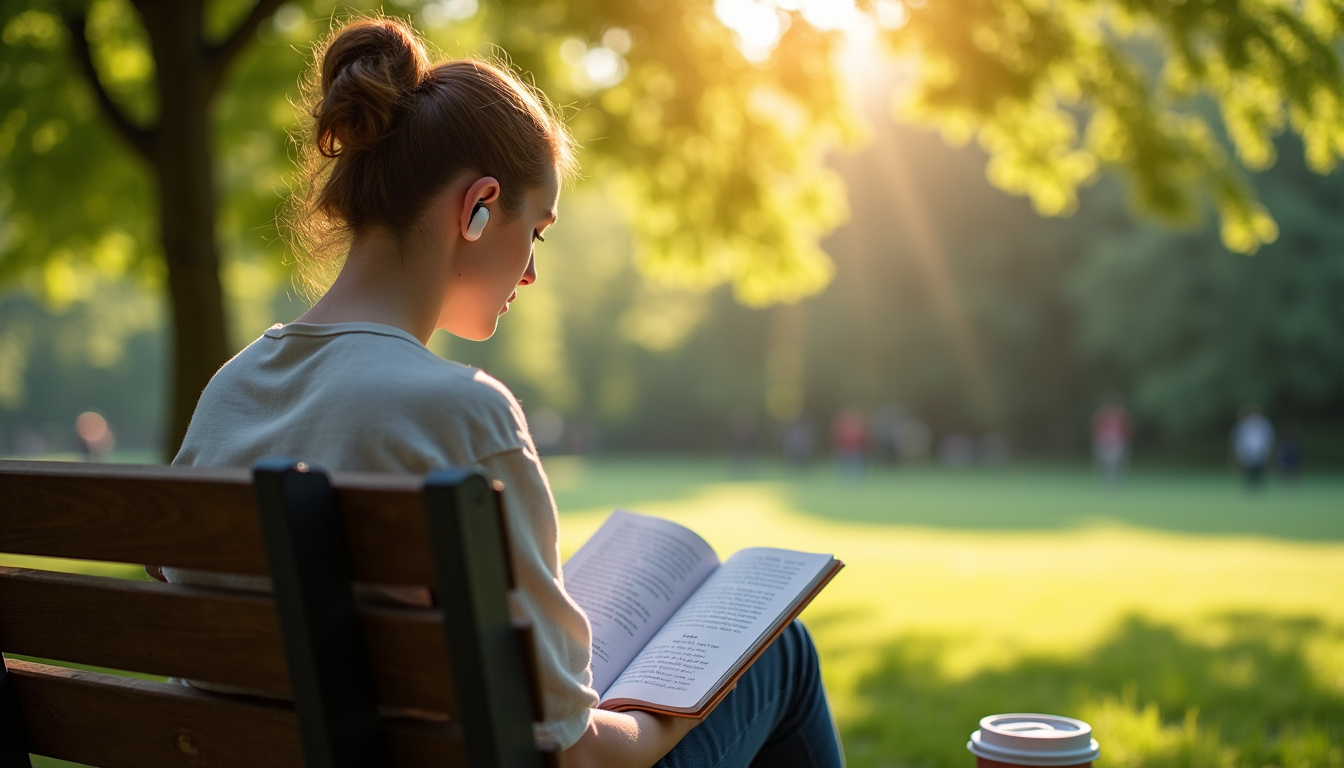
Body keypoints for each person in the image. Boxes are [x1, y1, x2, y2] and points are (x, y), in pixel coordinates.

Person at [164, 16, 842, 768]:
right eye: (538, 231)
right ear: (478, 206)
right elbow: (571, 755)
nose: (531, 272)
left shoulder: (231, 388)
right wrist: (666, 721)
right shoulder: (462, 415)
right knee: (780, 654)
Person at [1231, 404, 1275, 490]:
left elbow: (1268, 438)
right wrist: (1238, 452)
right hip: (1247, 451)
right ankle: (1249, 487)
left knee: (1259, 470)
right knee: (1248, 470)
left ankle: (1258, 487)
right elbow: (1238, 440)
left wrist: (1268, 450)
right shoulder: (1242, 425)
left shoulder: (1264, 424)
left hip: (1260, 451)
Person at [1091, 393, 1132, 484]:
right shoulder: (1102, 414)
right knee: (1102, 463)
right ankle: (1103, 482)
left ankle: (1115, 483)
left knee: (1116, 464)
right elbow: (1096, 428)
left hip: (1117, 442)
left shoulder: (1122, 415)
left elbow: (1127, 429)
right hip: (1103, 442)